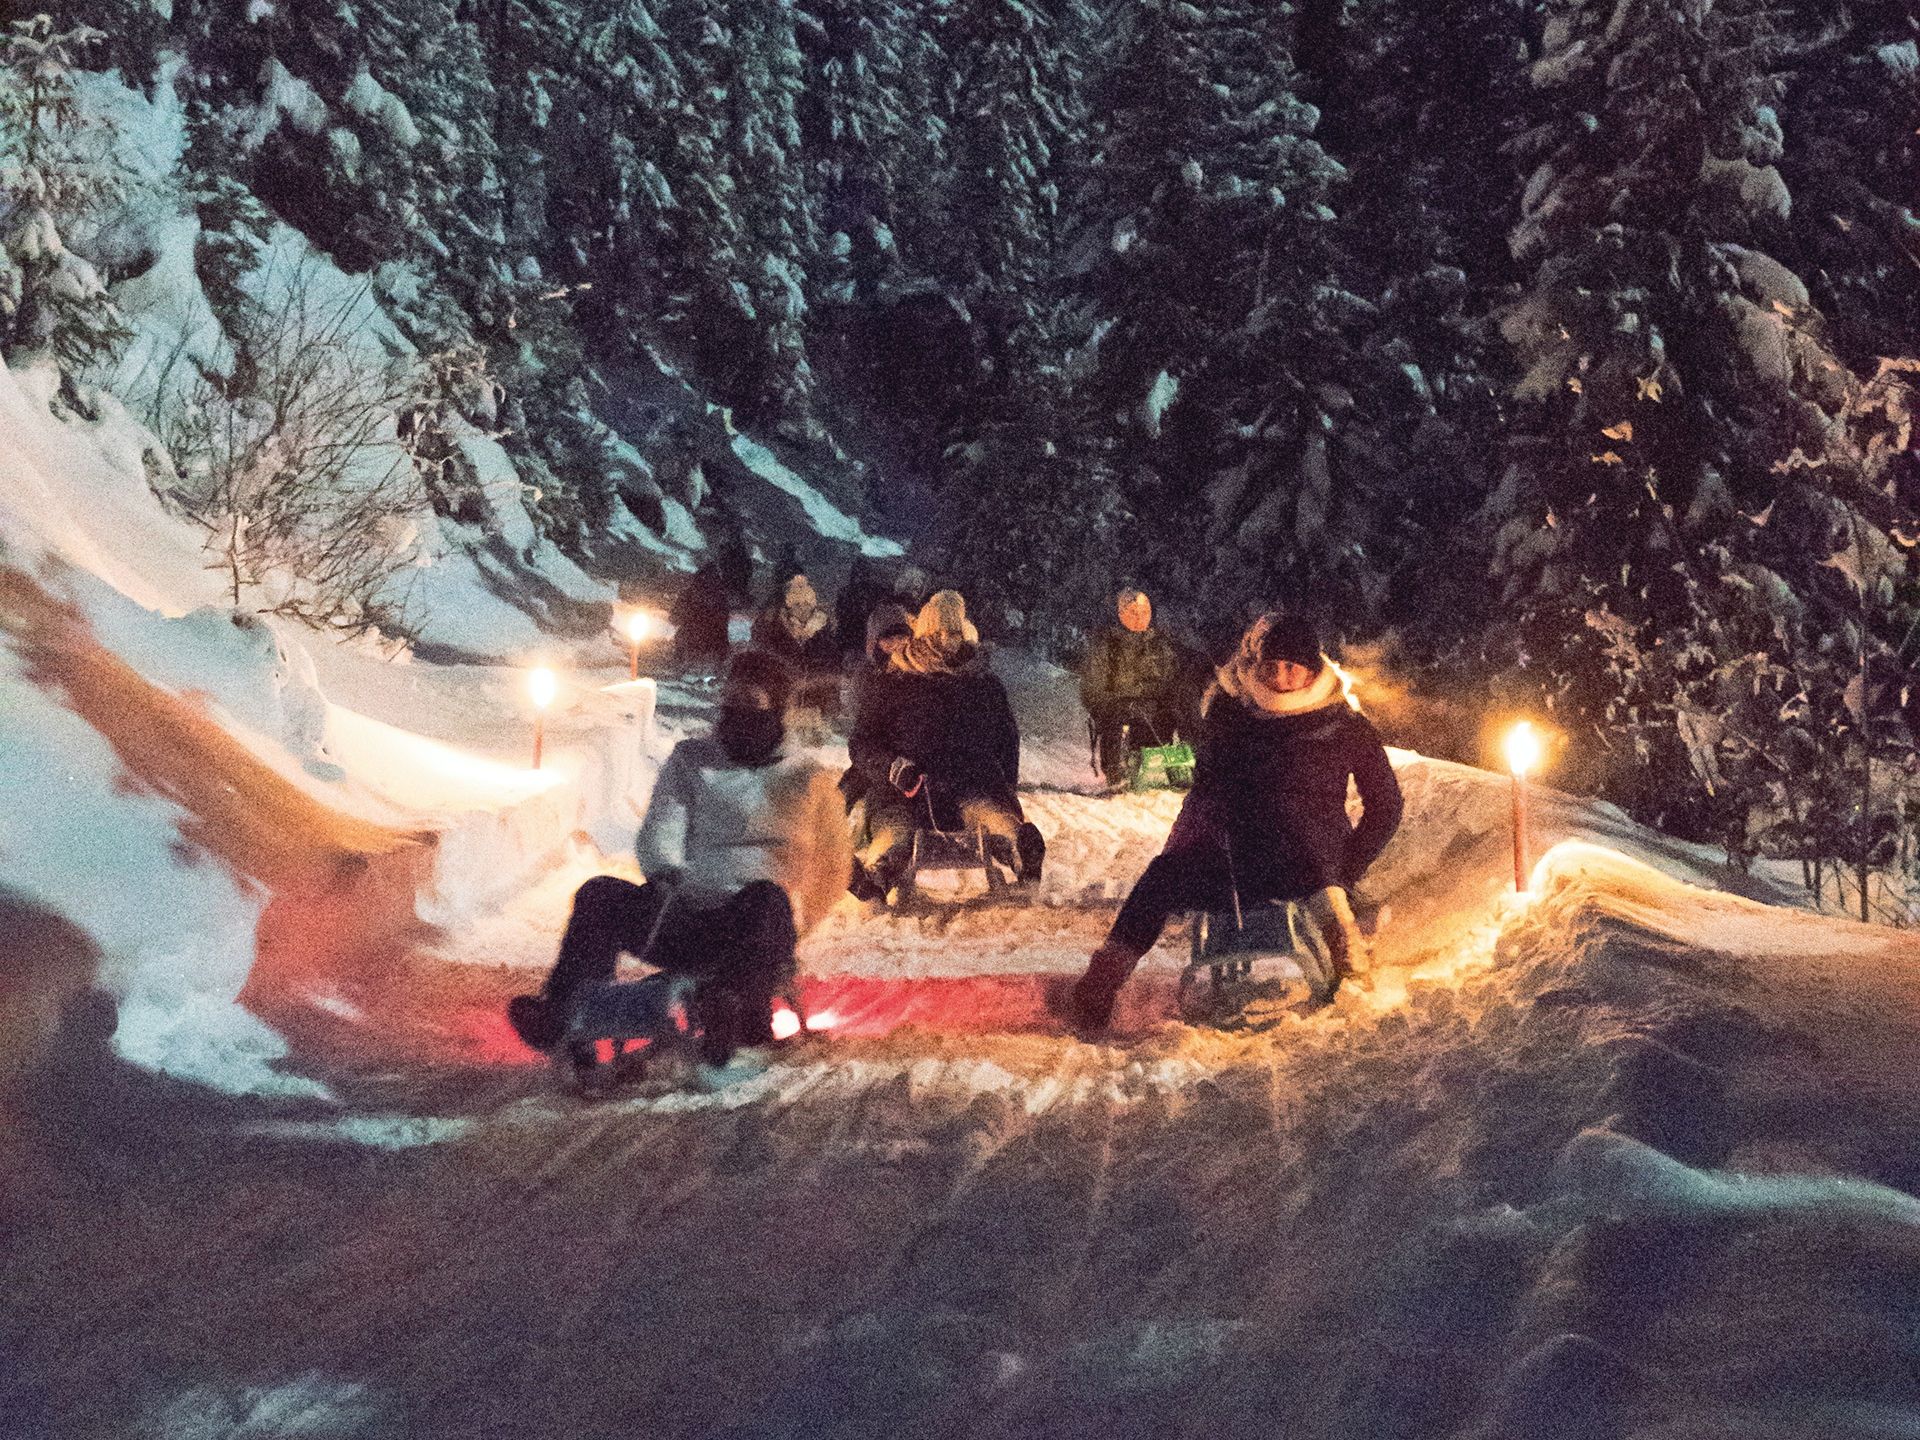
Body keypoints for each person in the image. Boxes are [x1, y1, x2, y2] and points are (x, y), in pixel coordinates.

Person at [1061, 612, 1402, 1033]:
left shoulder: (1343, 725)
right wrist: (1187, 844)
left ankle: (1352, 973)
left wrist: (1347, 868)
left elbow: (1385, 804)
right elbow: (1205, 793)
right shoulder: (1232, 717)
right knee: (1161, 878)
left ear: (1312, 670)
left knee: (1326, 893)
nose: (1279, 676)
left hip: (1309, 865)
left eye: (1291, 667)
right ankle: (1101, 982)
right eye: (1270, 665)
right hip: (1233, 861)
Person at [507, 650, 852, 1064]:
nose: (740, 715)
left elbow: (834, 864)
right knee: (599, 894)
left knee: (766, 899)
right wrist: (665, 872)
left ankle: (730, 1005)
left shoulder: (807, 779)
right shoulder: (692, 761)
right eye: (734, 704)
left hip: (756, 926)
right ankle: (564, 1012)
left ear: (776, 710)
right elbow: (663, 826)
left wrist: (800, 920)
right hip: (686, 912)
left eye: (753, 705)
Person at [847, 590, 1044, 898]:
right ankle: (875, 877)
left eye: (953, 630)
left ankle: (1022, 851)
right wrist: (892, 768)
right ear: (923, 632)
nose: (946, 638)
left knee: (991, 820)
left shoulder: (981, 684)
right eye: (938, 630)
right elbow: (863, 741)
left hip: (969, 787)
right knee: (896, 832)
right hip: (904, 792)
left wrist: (1005, 786)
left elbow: (1007, 740)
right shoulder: (894, 680)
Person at [1080, 587, 1188, 786]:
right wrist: (1105, 706)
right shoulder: (1107, 644)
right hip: (1116, 705)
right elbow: (1092, 686)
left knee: (1171, 715)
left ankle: (1172, 766)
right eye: (1133, 613)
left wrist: (1171, 703)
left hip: (1151, 704)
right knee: (1115, 721)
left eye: (1145, 613)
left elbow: (1172, 679)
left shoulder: (1159, 644)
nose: (1140, 618)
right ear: (1121, 614)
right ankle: (1115, 773)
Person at [751, 573, 839, 674]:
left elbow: (833, 669)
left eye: (806, 602)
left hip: (817, 685)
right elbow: (761, 660)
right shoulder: (769, 624)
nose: (802, 607)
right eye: (797, 603)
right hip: (780, 683)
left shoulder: (826, 629)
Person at [668, 563, 732, 679]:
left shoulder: (688, 594)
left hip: (689, 642)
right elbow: (723, 628)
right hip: (711, 646)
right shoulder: (721, 599)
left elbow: (674, 619)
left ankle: (680, 669)